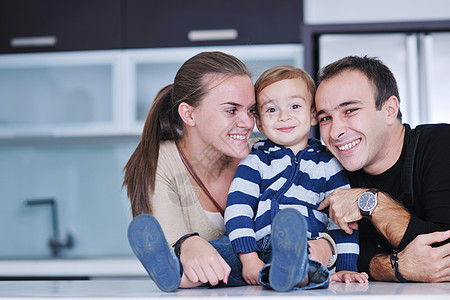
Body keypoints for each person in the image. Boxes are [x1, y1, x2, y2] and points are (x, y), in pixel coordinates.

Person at [123, 52, 334, 292]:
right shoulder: (162, 162)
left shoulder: (265, 153)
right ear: (189, 114)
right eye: (231, 110)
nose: (247, 123)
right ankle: (178, 275)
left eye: (251, 110)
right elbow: (168, 242)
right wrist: (186, 243)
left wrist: (328, 245)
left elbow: (317, 203)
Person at [225, 65, 368, 292]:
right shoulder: (254, 162)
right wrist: (248, 257)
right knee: (213, 256)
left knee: (304, 259)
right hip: (252, 245)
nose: (284, 116)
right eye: (272, 110)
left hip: (303, 245)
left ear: (313, 115)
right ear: (259, 122)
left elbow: (343, 220)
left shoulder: (330, 165)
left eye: (294, 106)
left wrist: (346, 266)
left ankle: (290, 272)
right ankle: (179, 272)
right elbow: (237, 209)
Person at [314, 55, 450, 283]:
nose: (335, 132)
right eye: (326, 117)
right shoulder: (328, 169)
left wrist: (370, 201)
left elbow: (443, 254)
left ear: (389, 110)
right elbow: (337, 254)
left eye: (350, 110)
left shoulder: (440, 144)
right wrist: (397, 267)